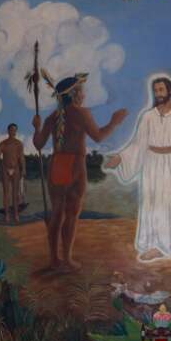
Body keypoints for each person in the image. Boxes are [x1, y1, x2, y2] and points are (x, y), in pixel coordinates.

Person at [105, 73, 171, 267]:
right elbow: (138, 144)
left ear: (170, 90)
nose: (158, 93)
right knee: (155, 206)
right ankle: (156, 245)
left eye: (161, 89)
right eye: (155, 90)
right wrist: (120, 158)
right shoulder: (147, 116)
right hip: (152, 165)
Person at [33, 73, 127, 270]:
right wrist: (114, 122)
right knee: (72, 213)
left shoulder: (53, 117)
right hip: (75, 164)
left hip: (58, 164)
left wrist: (37, 127)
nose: (84, 94)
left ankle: (54, 260)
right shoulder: (82, 113)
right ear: (75, 94)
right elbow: (99, 137)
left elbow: (38, 143)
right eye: (82, 90)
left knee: (57, 213)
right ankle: (66, 259)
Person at [0, 123, 26, 223]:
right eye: (11, 130)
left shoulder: (19, 144)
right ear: (8, 131)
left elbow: (22, 158)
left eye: (15, 130)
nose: (13, 132)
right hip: (5, 170)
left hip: (16, 170)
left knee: (16, 194)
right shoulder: (3, 144)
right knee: (6, 194)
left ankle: (16, 214)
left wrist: (24, 169)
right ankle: (6, 215)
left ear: (16, 132)